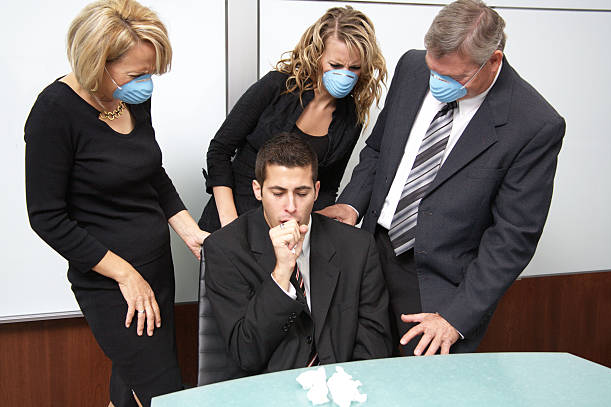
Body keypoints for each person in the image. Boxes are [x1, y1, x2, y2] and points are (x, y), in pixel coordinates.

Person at [320, 0, 565, 356]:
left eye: (452, 78)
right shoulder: (412, 66)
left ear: (493, 60)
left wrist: (455, 317)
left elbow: (512, 238)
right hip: (372, 256)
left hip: (438, 291)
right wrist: (352, 202)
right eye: (434, 70)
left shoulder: (533, 124)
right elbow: (378, 149)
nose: (437, 83)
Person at [24, 1, 207, 406]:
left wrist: (188, 229)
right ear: (97, 63)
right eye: (137, 74)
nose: (147, 85)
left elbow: (151, 172)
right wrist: (125, 275)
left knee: (131, 388)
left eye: (151, 73)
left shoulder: (130, 98)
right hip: (110, 282)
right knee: (164, 394)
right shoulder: (54, 113)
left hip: (155, 269)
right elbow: (46, 218)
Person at [203, 134, 392, 374]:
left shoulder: (357, 246)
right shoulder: (225, 248)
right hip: (270, 391)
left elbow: (374, 345)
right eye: (278, 193)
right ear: (258, 190)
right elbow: (247, 353)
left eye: (302, 193)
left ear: (316, 190)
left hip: (343, 387)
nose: (291, 207)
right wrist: (281, 273)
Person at [198, 6, 386, 232]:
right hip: (231, 220)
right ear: (317, 56)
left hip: (289, 237)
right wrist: (230, 225)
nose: (344, 74)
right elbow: (219, 151)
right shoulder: (277, 86)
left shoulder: (350, 118)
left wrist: (307, 230)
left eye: (354, 68)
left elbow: (326, 187)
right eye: (335, 65)